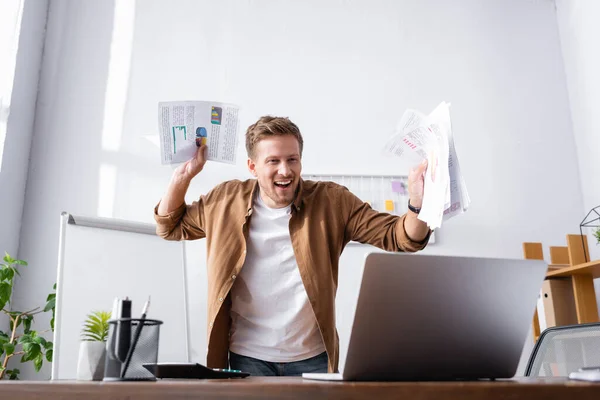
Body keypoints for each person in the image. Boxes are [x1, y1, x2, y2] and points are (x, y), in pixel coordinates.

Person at [154, 116, 431, 376]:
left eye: (292, 160)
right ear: (252, 166)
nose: (285, 171)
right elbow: (170, 226)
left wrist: (417, 202)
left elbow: (402, 237)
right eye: (273, 161)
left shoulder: (331, 201)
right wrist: (183, 177)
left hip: (313, 359)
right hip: (247, 357)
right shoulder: (225, 200)